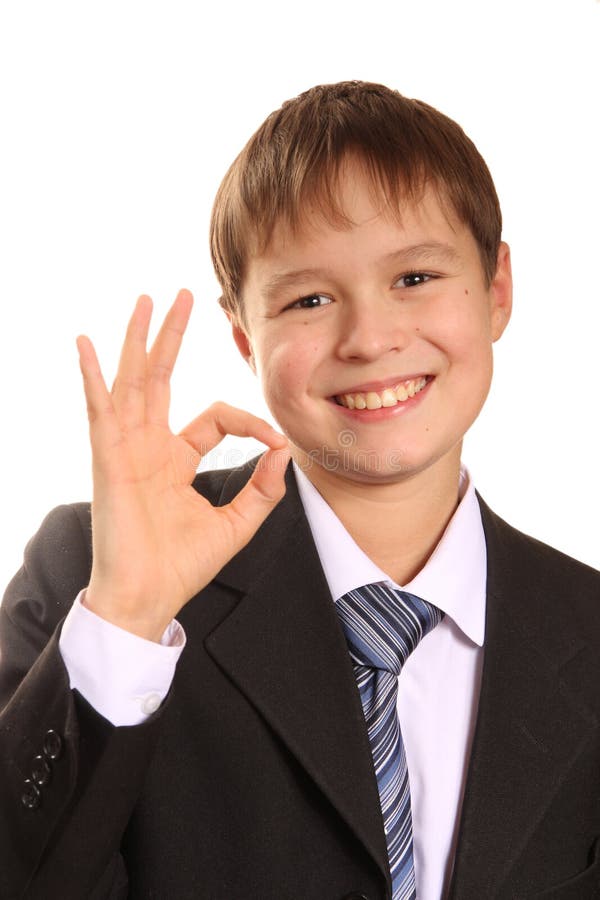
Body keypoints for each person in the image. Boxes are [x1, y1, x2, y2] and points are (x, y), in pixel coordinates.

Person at [1, 80, 599, 900]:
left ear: (497, 290)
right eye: (310, 299)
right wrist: (129, 619)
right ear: (246, 335)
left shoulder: (589, 631)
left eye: (416, 277)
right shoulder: (95, 574)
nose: (371, 338)